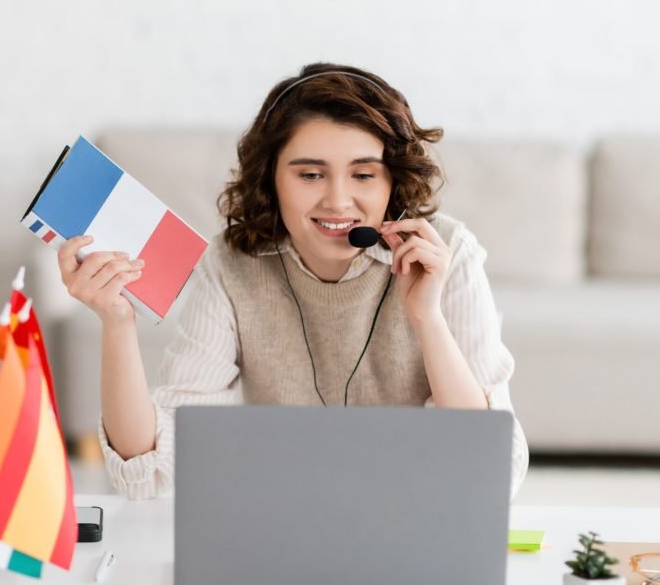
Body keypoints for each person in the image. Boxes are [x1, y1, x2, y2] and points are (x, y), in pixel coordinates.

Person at [57, 62, 529, 499]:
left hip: (417, 508)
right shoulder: (232, 263)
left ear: (392, 183)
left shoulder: (449, 253)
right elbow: (152, 472)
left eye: (364, 174)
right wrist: (117, 323)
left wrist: (427, 318)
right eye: (310, 175)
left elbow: (490, 473)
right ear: (271, 180)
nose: (339, 201)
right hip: (283, 511)